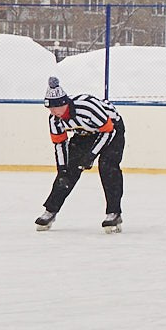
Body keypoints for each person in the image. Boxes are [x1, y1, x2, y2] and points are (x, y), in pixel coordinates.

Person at [36, 75, 127, 232]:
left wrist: (91, 156)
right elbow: (59, 144)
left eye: (56, 107)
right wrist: (62, 168)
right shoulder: (54, 120)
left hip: (112, 129)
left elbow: (108, 131)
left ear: (65, 103)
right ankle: (51, 210)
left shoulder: (87, 108)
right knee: (68, 171)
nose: (54, 111)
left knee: (107, 166)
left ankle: (114, 212)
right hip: (85, 132)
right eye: (50, 108)